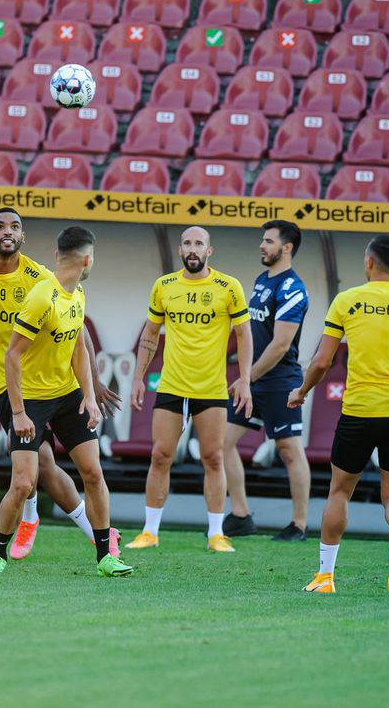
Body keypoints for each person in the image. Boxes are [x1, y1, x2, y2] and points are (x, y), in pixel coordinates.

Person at [0, 207, 122, 560]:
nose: (7, 231)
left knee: (56, 468)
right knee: (40, 466)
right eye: (0, 226)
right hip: (8, 386)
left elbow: (79, 329)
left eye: (15, 226)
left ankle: (74, 530)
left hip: (56, 384)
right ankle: (45, 521)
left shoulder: (39, 278)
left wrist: (95, 382)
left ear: (23, 237)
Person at [288, 235, 389, 597]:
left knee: (340, 491)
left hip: (359, 410)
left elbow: (321, 361)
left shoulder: (347, 301)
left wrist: (301, 392)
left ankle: (325, 577)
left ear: (368, 262)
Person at [0, 226, 131, 577]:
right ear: (87, 259)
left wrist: (90, 398)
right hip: (31, 400)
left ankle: (106, 557)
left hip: (67, 396)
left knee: (93, 473)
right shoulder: (40, 297)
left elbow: (78, 346)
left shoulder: (77, 292)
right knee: (23, 483)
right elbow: (12, 357)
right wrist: (18, 413)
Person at [126, 226, 253, 553]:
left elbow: (244, 335)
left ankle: (216, 534)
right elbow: (150, 333)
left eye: (199, 243)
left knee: (213, 458)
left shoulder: (229, 287)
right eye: (187, 243)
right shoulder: (164, 286)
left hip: (211, 388)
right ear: (180, 250)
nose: (192, 248)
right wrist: (138, 378)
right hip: (172, 385)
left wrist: (245, 380)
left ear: (209, 251)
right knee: (160, 455)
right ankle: (150, 532)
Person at [223, 220, 311, 542]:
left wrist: (246, 377)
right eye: (263, 240)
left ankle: (299, 525)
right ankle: (241, 516)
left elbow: (280, 345)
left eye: (269, 241)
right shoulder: (262, 281)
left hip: (279, 381)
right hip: (253, 380)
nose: (262, 245)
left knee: (289, 451)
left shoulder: (293, 289)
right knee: (222, 444)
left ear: (286, 248)